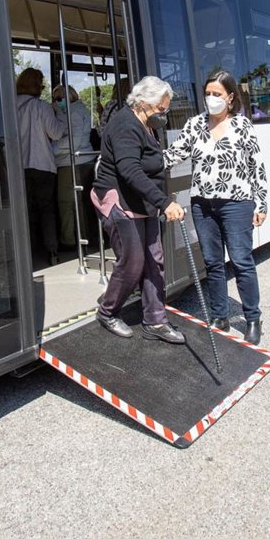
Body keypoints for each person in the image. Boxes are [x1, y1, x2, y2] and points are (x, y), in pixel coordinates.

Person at [164, 70, 269, 344]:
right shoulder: (195, 124)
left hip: (237, 204)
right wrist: (135, 159)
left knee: (241, 260)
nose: (211, 98)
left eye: (217, 94)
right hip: (202, 204)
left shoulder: (242, 126)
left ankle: (252, 318)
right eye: (207, 93)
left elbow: (256, 166)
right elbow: (173, 154)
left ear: (230, 97)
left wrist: (262, 203)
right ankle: (220, 316)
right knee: (212, 262)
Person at [92, 75, 186, 343]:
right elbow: (130, 170)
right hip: (121, 202)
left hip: (143, 203)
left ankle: (156, 320)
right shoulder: (125, 124)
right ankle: (108, 311)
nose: (163, 115)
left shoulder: (146, 124)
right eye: (161, 109)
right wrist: (164, 202)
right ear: (143, 102)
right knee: (133, 261)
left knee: (154, 260)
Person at [16, 68, 64, 267]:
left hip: (19, 166)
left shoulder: (11, 106)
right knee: (46, 209)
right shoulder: (42, 107)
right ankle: (52, 251)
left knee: (25, 210)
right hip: (43, 164)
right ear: (37, 85)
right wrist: (59, 113)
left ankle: (28, 251)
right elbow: (56, 133)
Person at [51, 84, 94, 250]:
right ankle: (86, 237)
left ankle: (68, 239)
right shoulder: (80, 109)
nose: (56, 102)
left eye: (59, 98)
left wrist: (52, 148)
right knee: (82, 203)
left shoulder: (73, 112)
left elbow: (73, 141)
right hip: (84, 160)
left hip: (71, 162)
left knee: (65, 203)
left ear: (68, 97)